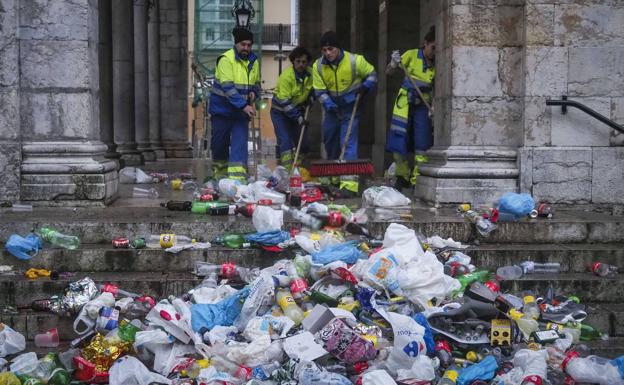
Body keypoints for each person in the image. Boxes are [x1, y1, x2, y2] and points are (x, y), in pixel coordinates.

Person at [313, 31, 377, 195]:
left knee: (347, 141)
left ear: (338, 48)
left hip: (351, 107)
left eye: (331, 49)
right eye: (324, 50)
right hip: (332, 108)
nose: (327, 53)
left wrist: (365, 87)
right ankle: (334, 175)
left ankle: (349, 185)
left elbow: (372, 75)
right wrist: (330, 105)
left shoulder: (355, 61)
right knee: (329, 139)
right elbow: (319, 91)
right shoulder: (318, 66)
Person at [209, 27, 261, 182]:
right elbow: (228, 88)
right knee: (220, 145)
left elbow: (256, 83)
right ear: (236, 44)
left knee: (239, 146)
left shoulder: (254, 62)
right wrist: (244, 106)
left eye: (249, 45)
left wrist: (254, 92)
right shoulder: (226, 59)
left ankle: (237, 181)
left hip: (240, 114)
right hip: (222, 111)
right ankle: (220, 176)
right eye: (243, 44)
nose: (246, 48)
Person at [386, 26, 435, 189]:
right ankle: (402, 176)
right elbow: (388, 72)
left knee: (422, 144)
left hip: (423, 106)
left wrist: (433, 106)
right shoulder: (411, 55)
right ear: (425, 43)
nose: (434, 52)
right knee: (399, 141)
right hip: (404, 105)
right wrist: (393, 64)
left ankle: (417, 180)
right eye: (432, 47)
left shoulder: (438, 64)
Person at [271, 46, 314, 173]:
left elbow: (316, 87)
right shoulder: (286, 77)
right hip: (280, 113)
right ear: (293, 62)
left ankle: (298, 168)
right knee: (285, 142)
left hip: (297, 110)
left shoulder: (311, 74)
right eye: (298, 61)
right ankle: (287, 172)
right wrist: (299, 118)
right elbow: (285, 103)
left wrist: (312, 97)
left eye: (304, 62)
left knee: (304, 143)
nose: (301, 64)